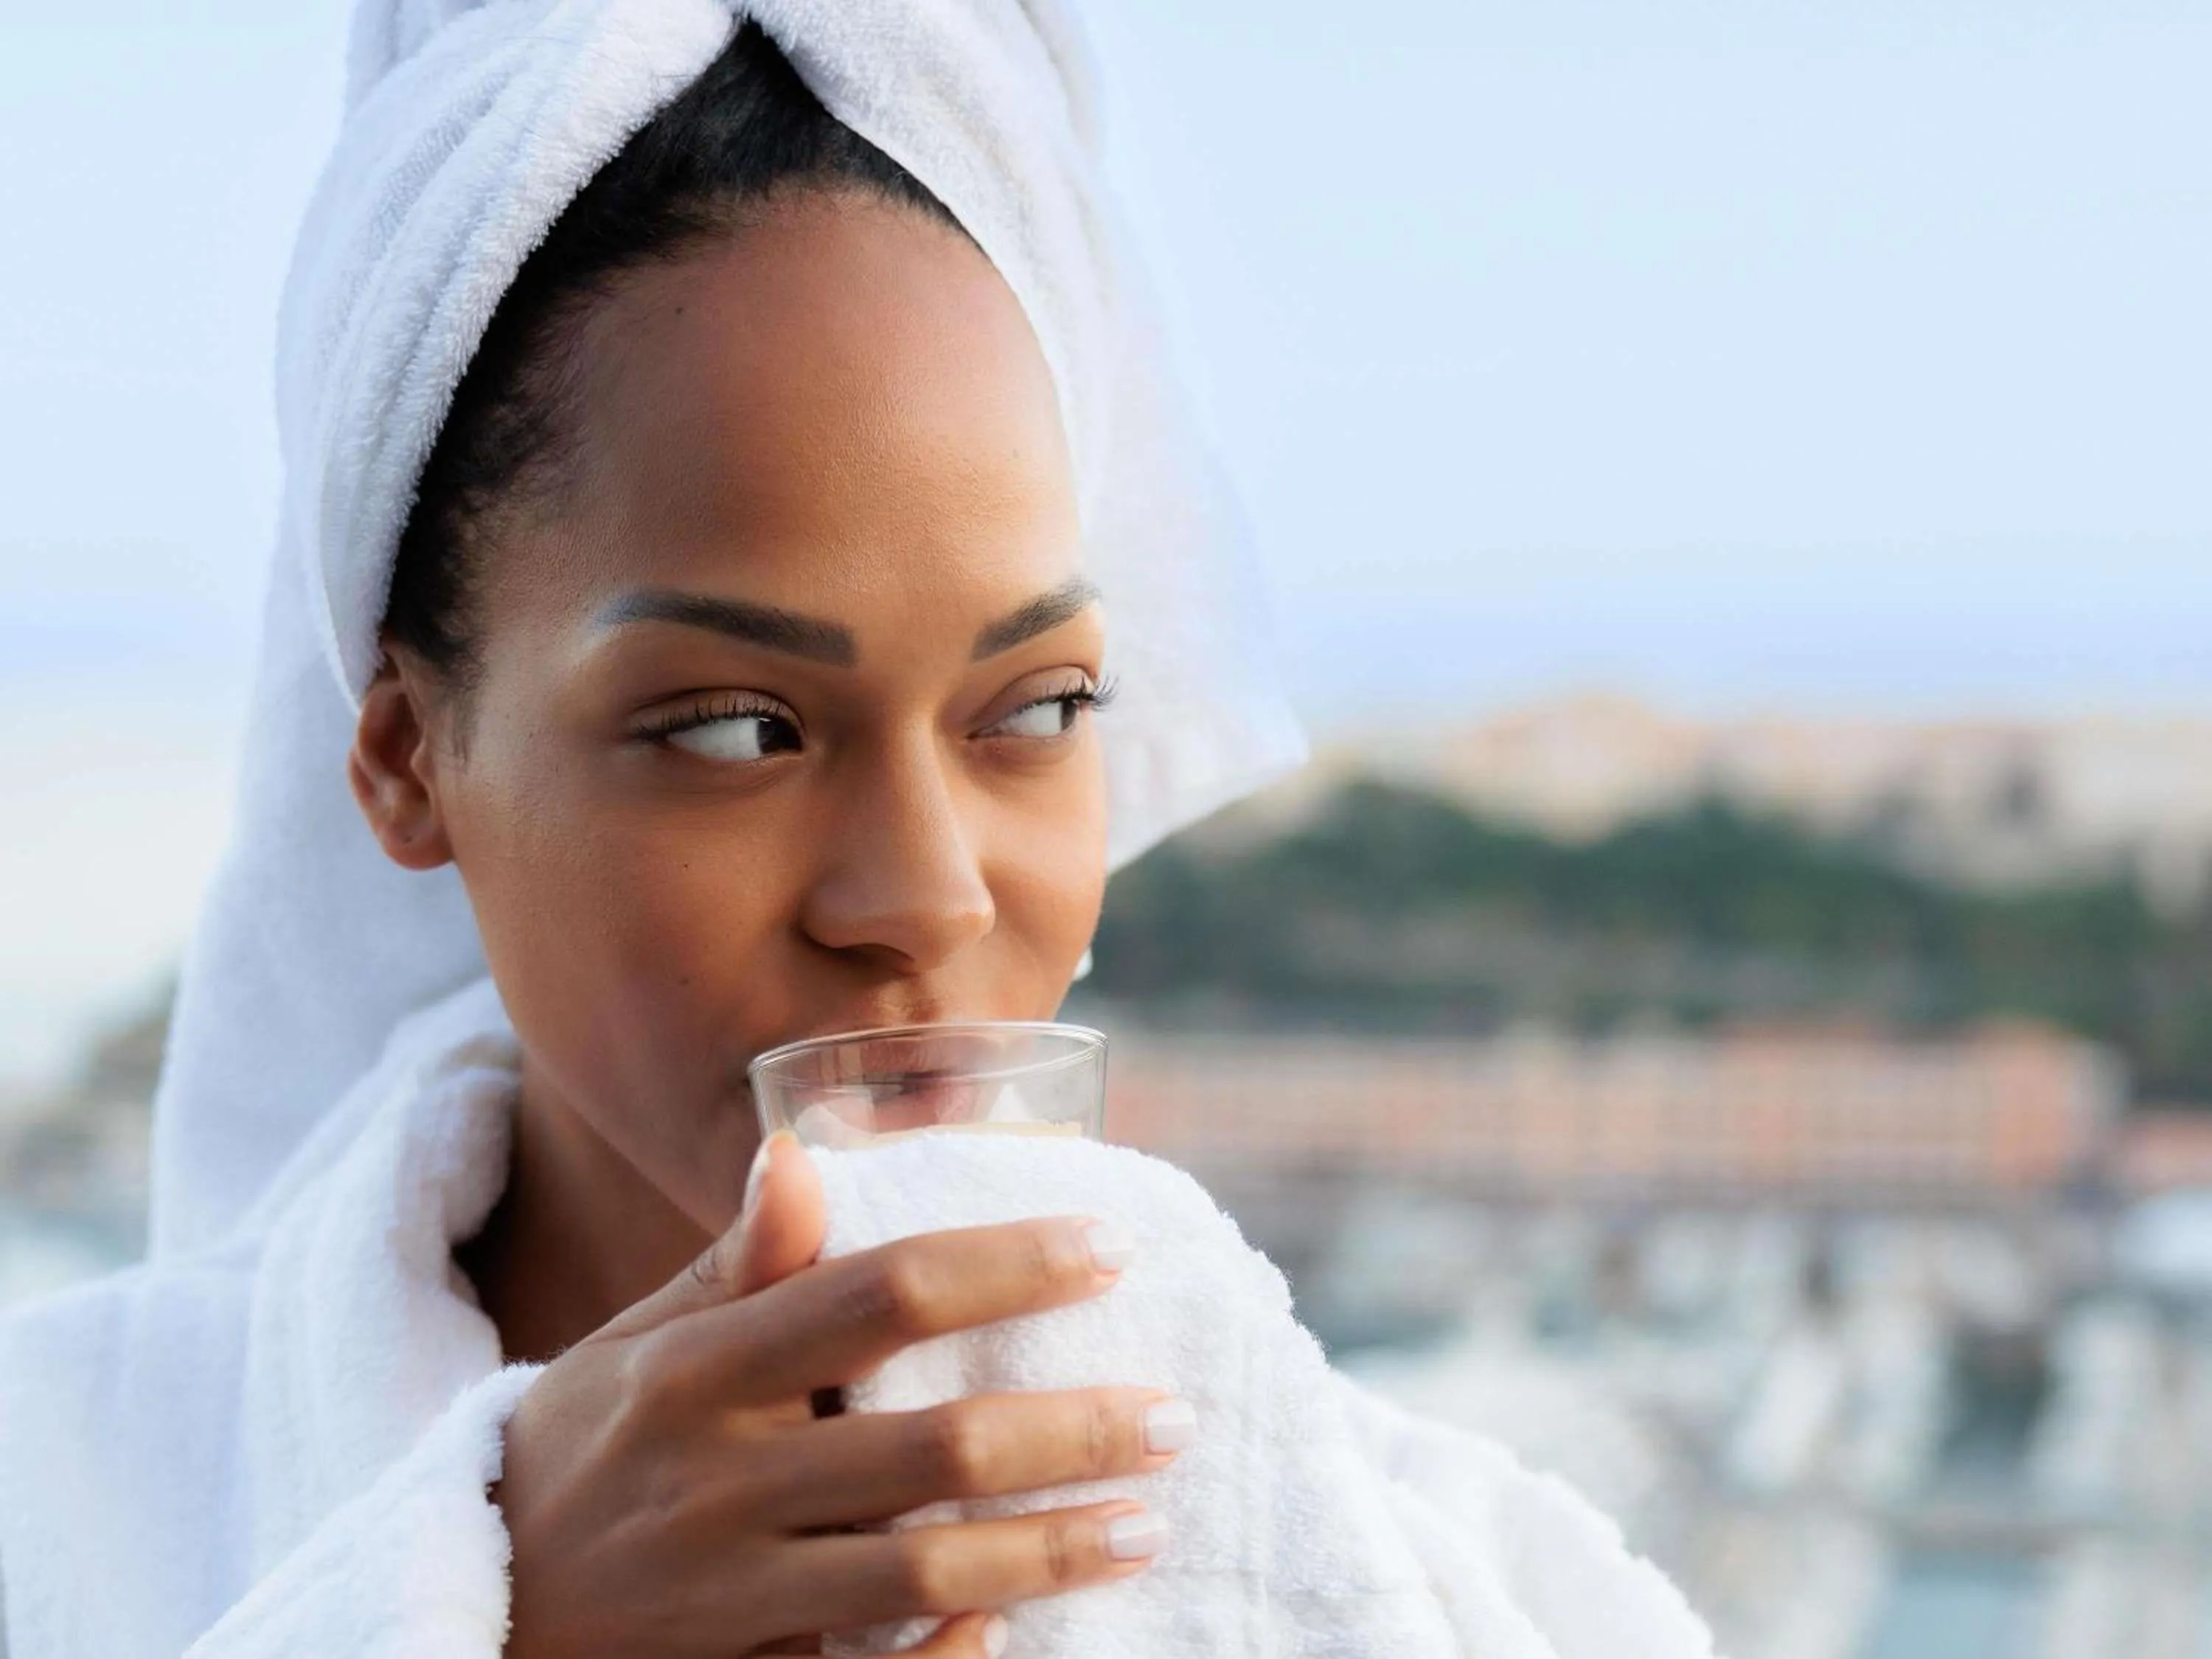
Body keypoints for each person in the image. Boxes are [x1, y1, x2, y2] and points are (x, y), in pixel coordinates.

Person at [0, 6, 1717, 1657]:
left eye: (1034, 710)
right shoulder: (63, 1502)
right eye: (739, 729)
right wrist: (493, 1610)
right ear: (401, 758)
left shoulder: (1458, 1584)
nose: (927, 894)